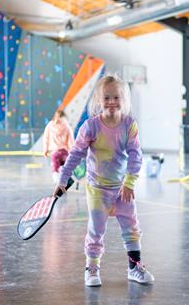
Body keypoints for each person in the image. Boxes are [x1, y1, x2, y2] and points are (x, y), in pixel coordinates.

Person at [54, 74, 154, 287]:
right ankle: (91, 268)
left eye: (116, 97)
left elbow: (136, 155)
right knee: (96, 229)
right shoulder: (91, 127)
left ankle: (134, 267)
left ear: (123, 99)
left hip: (121, 189)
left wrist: (129, 182)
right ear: (99, 100)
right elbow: (75, 154)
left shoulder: (129, 125)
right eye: (106, 97)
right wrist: (63, 178)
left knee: (131, 227)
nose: (111, 101)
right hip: (97, 189)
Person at [43, 110, 75, 183]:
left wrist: (45, 150)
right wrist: (72, 151)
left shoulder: (50, 125)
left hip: (54, 152)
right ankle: (66, 180)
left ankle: (57, 181)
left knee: (55, 169)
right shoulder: (67, 126)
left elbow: (46, 138)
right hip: (65, 152)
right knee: (65, 168)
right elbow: (71, 141)